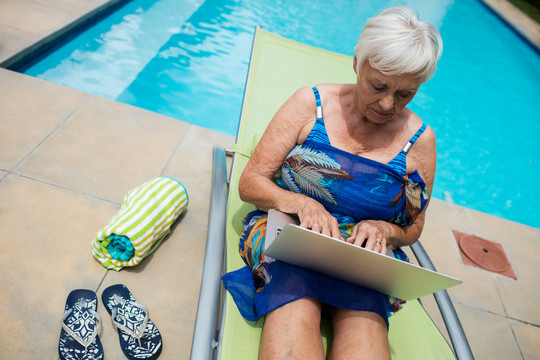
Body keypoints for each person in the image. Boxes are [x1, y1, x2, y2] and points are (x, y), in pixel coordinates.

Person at [222, 6, 442, 359]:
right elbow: (250, 182)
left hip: (362, 258)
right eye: (378, 86)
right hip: (288, 235)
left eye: (405, 94)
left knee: (365, 324)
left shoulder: (418, 142)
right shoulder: (310, 105)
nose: (387, 104)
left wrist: (384, 231)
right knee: (292, 303)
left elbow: (413, 228)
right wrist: (302, 203)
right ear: (358, 62)